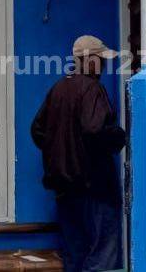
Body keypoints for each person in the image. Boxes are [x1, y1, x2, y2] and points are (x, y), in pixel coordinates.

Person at [31, 35, 126, 272]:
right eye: (101, 59)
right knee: (102, 255)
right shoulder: (93, 89)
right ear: (90, 60)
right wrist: (119, 137)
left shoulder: (59, 88)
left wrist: (61, 151)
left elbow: (37, 130)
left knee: (75, 256)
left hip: (65, 190)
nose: (104, 65)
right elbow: (94, 130)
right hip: (94, 188)